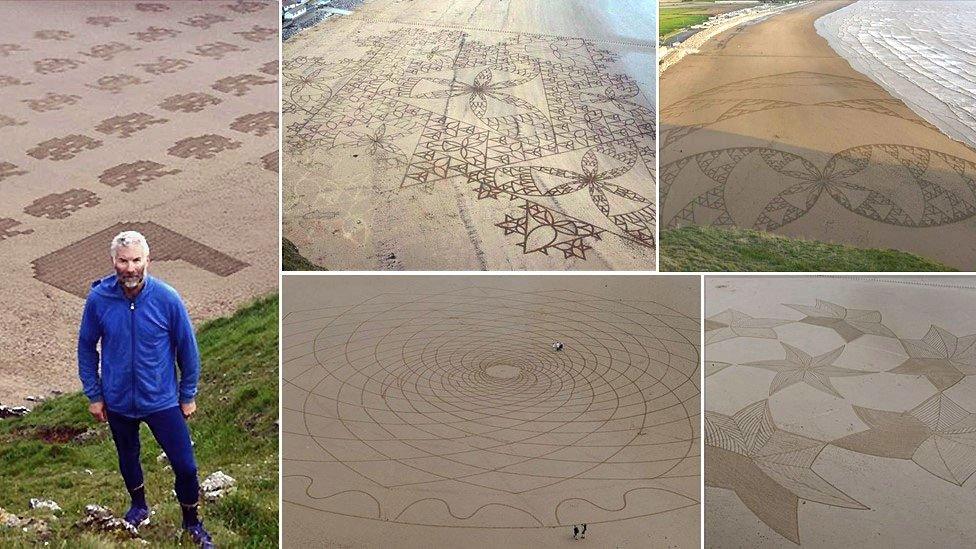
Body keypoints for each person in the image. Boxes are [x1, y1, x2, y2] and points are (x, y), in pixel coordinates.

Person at [78, 230, 214, 548]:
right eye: (123, 261)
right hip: (118, 400)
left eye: (136, 260)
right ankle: (139, 507)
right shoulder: (99, 299)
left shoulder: (167, 299)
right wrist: (94, 394)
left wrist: (188, 394)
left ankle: (192, 523)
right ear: (113, 262)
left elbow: (187, 350)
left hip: (161, 399)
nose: (130, 267)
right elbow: (86, 346)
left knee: (186, 465)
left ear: (147, 261)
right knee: (128, 456)